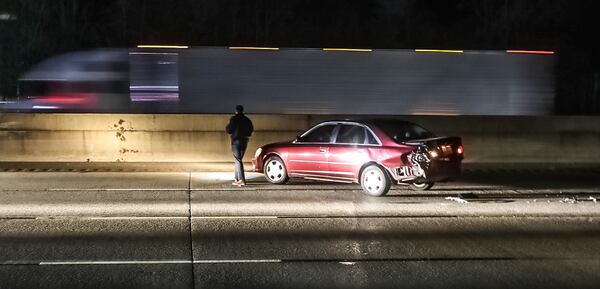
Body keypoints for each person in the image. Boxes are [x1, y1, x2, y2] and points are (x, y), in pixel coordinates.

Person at [225, 105, 254, 187]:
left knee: (238, 160)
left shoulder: (234, 119)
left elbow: (229, 130)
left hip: (236, 141)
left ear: (236, 111)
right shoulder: (247, 119)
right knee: (238, 159)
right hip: (245, 141)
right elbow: (251, 130)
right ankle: (236, 179)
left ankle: (241, 179)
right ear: (243, 111)